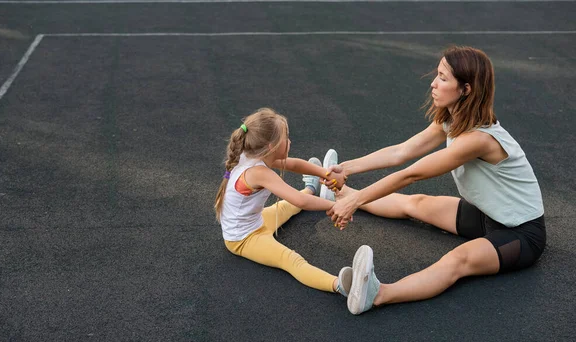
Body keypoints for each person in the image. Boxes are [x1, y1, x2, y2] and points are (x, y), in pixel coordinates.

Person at [323, 46, 546, 315]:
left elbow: (411, 173)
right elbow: (401, 152)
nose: (433, 83)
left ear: (466, 89)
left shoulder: (478, 140)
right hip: (486, 215)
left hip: (521, 234)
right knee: (416, 203)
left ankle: (377, 294)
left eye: (442, 77)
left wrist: (358, 202)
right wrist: (346, 169)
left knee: (457, 260)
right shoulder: (453, 120)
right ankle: (341, 194)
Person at [214, 107, 352, 296]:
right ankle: (340, 286)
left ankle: (312, 188)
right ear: (271, 146)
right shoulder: (258, 172)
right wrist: (338, 206)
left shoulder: (254, 154)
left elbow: (294, 164)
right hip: (243, 239)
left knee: (285, 206)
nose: (290, 141)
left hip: (256, 220)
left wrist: (325, 173)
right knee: (291, 260)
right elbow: (300, 201)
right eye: (286, 138)